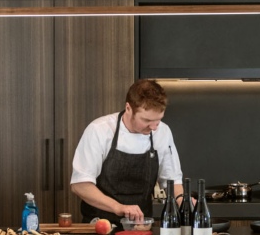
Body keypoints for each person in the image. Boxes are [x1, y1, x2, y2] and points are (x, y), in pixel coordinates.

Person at [70, 79, 183, 224]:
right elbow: (80, 185)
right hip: (100, 225)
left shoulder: (163, 132)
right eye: (146, 120)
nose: (154, 127)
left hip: (141, 226)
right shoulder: (100, 130)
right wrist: (118, 207)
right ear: (128, 108)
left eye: (158, 120)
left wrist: (182, 200)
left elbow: (172, 181)